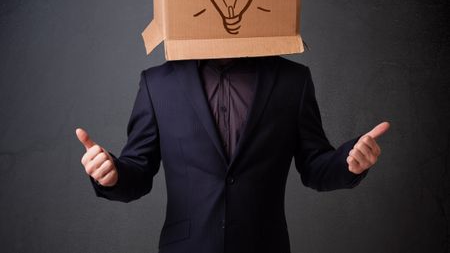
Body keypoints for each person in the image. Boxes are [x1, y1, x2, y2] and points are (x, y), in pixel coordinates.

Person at [76, 56, 389, 253]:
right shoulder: (158, 84)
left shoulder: (292, 80)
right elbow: (138, 173)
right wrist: (111, 174)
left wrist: (350, 161)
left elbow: (315, 166)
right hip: (187, 247)